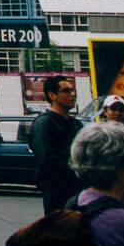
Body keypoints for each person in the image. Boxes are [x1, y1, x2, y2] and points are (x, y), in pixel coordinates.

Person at [30, 75, 82, 214]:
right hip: (58, 195)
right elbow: (48, 161)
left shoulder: (76, 124)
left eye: (73, 90)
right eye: (66, 91)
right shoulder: (45, 124)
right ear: (52, 95)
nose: (72, 94)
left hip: (80, 193)